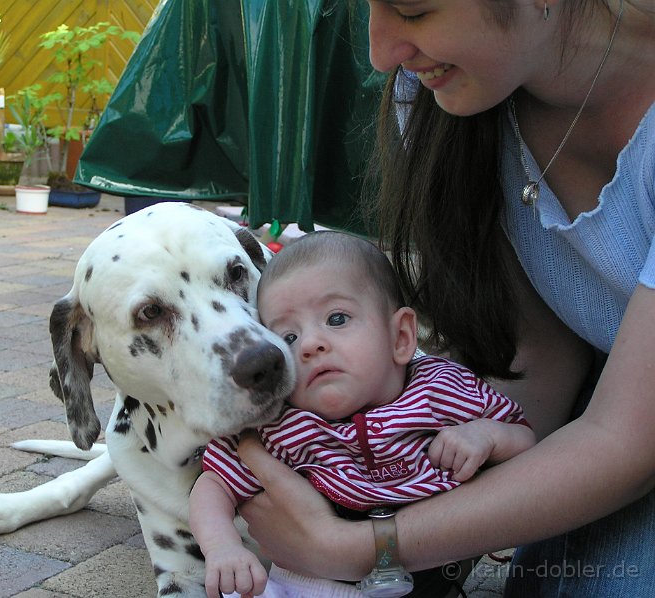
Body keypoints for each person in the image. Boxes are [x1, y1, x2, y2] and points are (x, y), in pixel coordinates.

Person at [233, 1, 655, 596]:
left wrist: (365, 546)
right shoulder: (447, 97)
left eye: (412, 10)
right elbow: (540, 358)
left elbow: (628, 443)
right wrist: (383, 478)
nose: (381, 53)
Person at [189, 231, 535, 598]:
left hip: (431, 578)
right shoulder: (281, 425)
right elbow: (212, 485)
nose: (309, 344)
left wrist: (486, 436)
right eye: (287, 337)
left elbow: (525, 439)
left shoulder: (442, 392)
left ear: (401, 336)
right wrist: (222, 547)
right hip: (308, 586)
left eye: (336, 318)